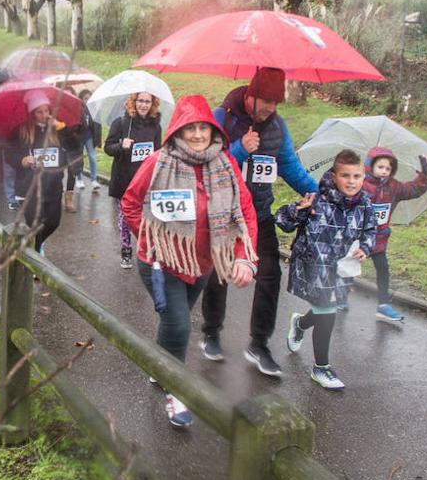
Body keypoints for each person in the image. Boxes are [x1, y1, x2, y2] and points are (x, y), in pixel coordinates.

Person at [121, 95, 258, 428]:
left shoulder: (227, 165)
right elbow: (130, 203)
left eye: (204, 128)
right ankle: (175, 392)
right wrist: (156, 239)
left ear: (214, 132)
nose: (198, 135)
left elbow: (246, 212)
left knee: (173, 324)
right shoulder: (158, 161)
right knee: (179, 325)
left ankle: (160, 365)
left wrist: (244, 258)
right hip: (159, 263)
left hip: (202, 263)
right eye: (190, 128)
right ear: (177, 132)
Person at [200, 67, 317, 377]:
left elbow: (289, 165)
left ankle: (259, 343)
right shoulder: (221, 118)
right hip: (223, 213)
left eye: (276, 103)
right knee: (219, 273)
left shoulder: (278, 127)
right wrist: (239, 149)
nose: (270, 108)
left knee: (270, 275)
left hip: (259, 213)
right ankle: (211, 332)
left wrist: (316, 192)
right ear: (250, 94)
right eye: (266, 100)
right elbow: (205, 165)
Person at [277, 149, 377, 389]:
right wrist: (298, 210)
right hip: (313, 266)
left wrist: (365, 247)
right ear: (334, 176)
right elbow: (282, 221)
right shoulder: (317, 199)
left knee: (325, 309)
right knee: (327, 311)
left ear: (363, 178)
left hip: (342, 269)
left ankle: (300, 324)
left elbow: (371, 230)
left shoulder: (365, 204)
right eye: (346, 176)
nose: (351, 182)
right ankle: (321, 368)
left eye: (356, 176)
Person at [362, 146, 427, 322]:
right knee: (346, 268)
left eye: (388, 168)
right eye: (380, 167)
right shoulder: (360, 183)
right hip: (356, 238)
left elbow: (415, 189)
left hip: (378, 239)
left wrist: (425, 172)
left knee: (383, 269)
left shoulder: (393, 187)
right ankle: (338, 295)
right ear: (370, 166)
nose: (384, 171)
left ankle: (383, 305)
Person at [105, 92, 163, 269]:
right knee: (125, 218)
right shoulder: (121, 123)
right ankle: (126, 251)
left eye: (147, 101)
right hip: (124, 178)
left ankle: (146, 248)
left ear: (152, 104)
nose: (143, 105)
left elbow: (157, 151)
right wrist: (121, 145)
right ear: (133, 102)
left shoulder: (156, 126)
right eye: (140, 101)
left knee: (146, 217)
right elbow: (108, 147)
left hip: (145, 180)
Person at [8, 90, 66, 254]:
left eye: (47, 110)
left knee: (53, 222)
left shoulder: (55, 129)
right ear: (32, 114)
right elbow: (9, 154)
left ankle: (32, 245)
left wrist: (60, 127)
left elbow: (74, 143)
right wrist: (22, 160)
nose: (44, 115)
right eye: (39, 112)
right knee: (35, 223)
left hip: (53, 186)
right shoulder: (22, 131)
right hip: (29, 187)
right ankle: (37, 257)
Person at [58, 87, 85, 213]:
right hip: (59, 146)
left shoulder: (80, 110)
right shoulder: (56, 110)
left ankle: (69, 200)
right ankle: (57, 195)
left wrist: (67, 130)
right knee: (57, 173)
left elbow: (83, 128)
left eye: (70, 95)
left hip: (74, 146)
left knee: (72, 172)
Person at [77, 88, 102, 192]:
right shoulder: (78, 109)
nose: (87, 100)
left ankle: (94, 179)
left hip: (90, 137)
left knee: (92, 157)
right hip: (79, 137)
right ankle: (79, 179)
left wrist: (99, 140)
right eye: (85, 98)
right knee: (79, 158)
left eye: (89, 98)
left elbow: (98, 125)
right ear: (81, 99)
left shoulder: (94, 109)